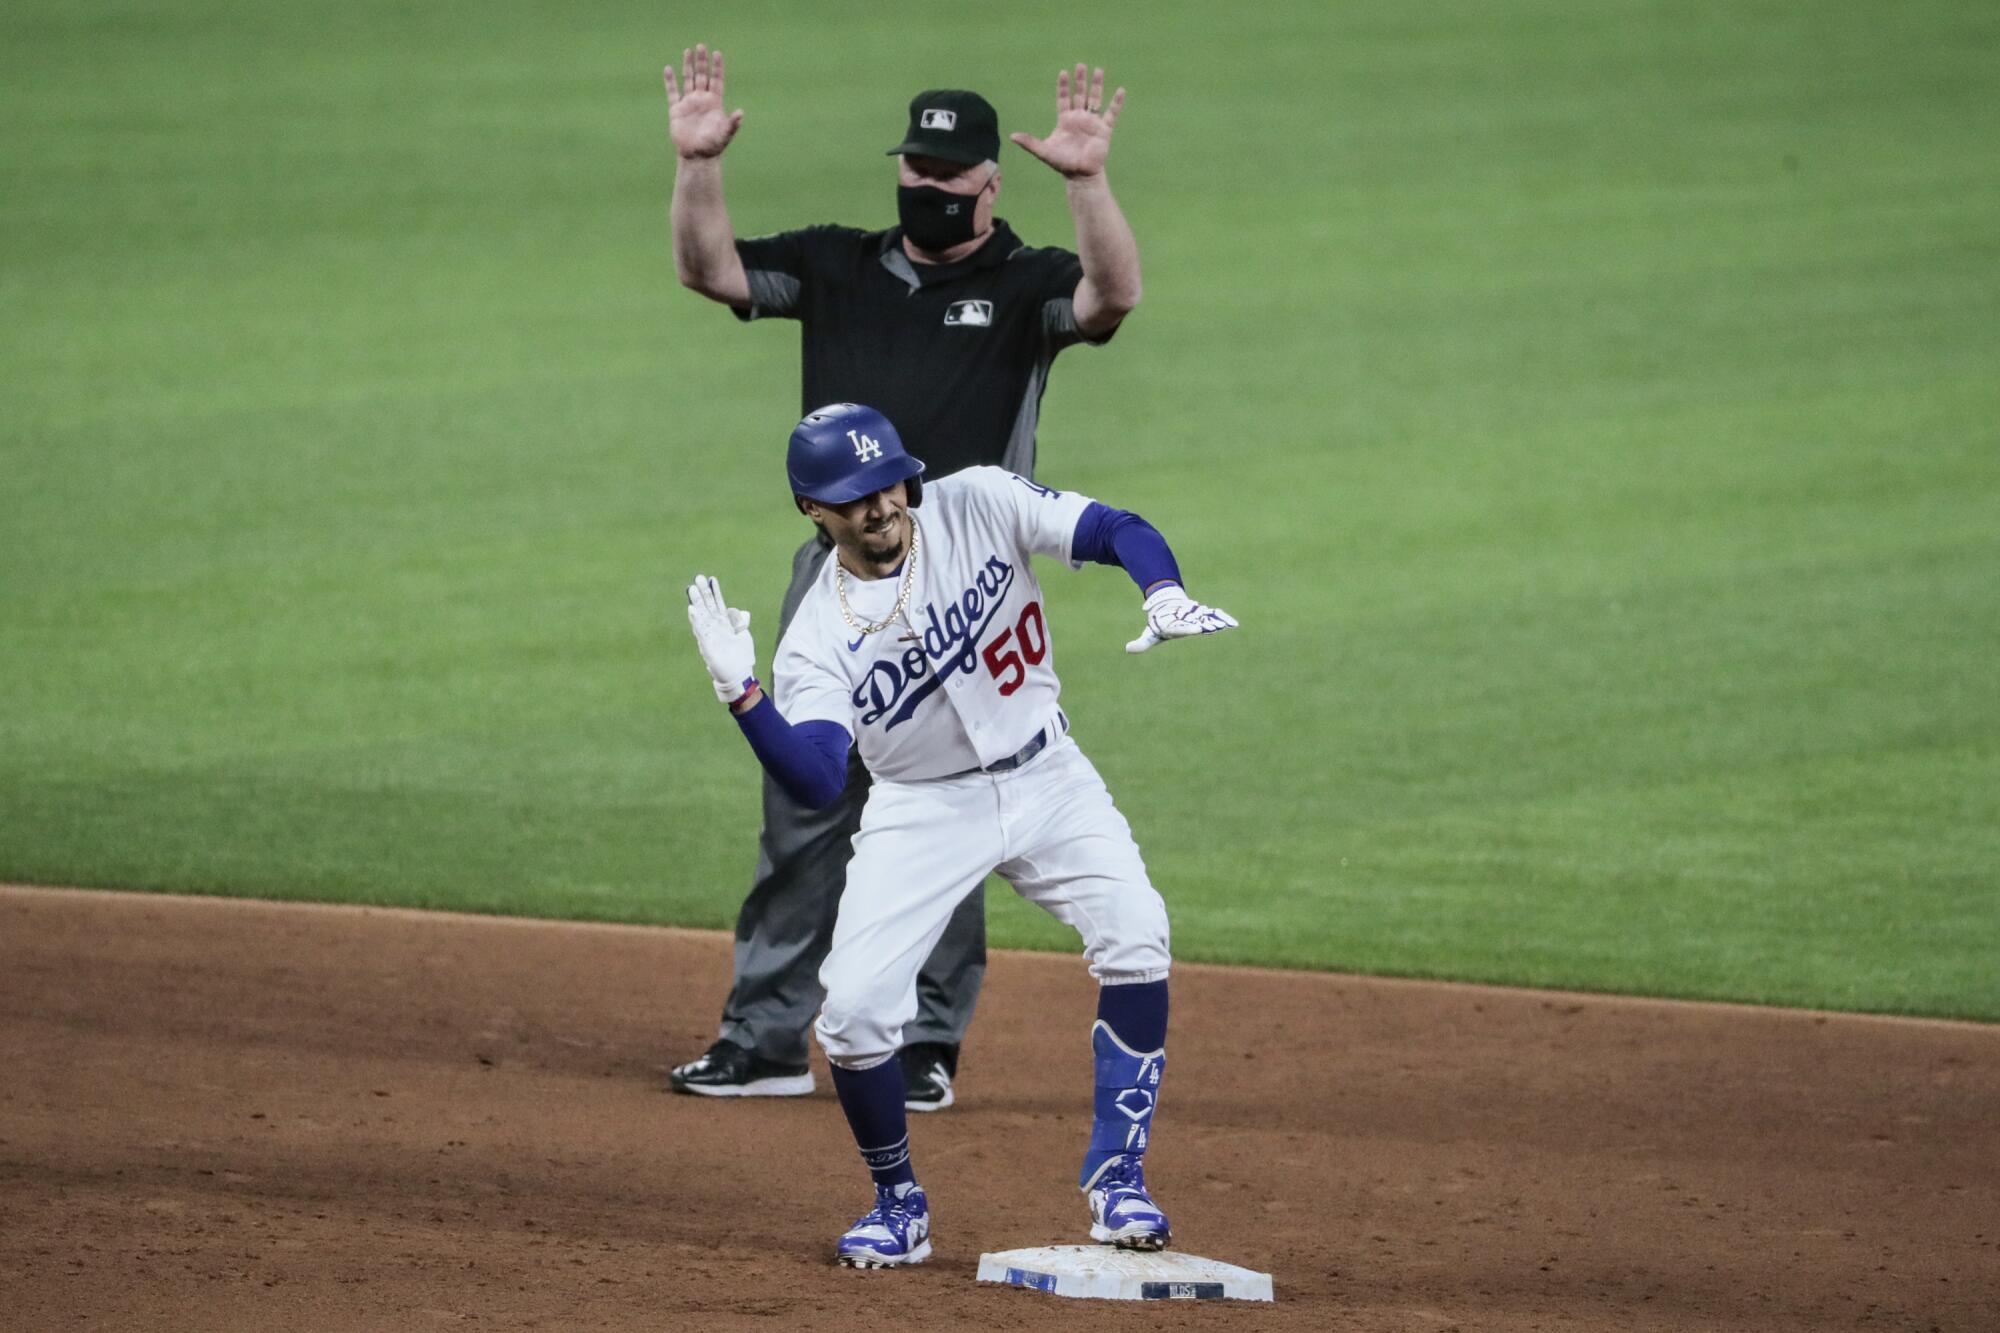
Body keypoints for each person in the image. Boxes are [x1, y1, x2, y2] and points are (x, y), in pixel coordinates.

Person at [662, 45, 1145, 1111]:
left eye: (945, 175)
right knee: (806, 800)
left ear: (987, 182)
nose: (923, 189)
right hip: (835, 575)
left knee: (951, 795)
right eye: (913, 170)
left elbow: (1112, 296)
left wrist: (1087, 184)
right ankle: (765, 1035)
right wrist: (698, 164)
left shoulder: (1022, 287)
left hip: (965, 582)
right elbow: (711, 270)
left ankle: (926, 1039)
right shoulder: (838, 264)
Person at [683, 402, 1237, 1266]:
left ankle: (1118, 1177)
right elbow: (821, 777)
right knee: (856, 1016)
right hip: (921, 807)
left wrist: (1160, 588)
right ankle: (899, 1202)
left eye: (888, 482)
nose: (881, 505)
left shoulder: (978, 500)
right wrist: (744, 698)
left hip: (1049, 774)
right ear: (812, 510)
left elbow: (1110, 526)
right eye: (853, 496)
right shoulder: (817, 636)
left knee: (1138, 934)